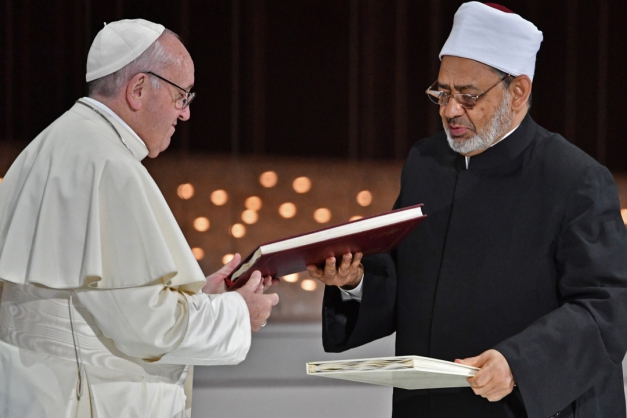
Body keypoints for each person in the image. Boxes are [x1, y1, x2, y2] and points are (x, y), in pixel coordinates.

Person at [307, 3, 627, 418]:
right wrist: (356, 281)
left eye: (468, 96)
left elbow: (607, 307)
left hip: (530, 405)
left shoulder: (576, 179)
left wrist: (518, 363)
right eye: (442, 92)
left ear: (518, 92)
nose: (449, 110)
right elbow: (409, 278)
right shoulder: (426, 163)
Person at [0, 19, 279, 418]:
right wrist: (236, 313)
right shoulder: (107, 165)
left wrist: (202, 299)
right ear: (137, 90)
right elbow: (145, 326)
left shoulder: (52, 145)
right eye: (182, 97)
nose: (184, 114)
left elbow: (113, 298)